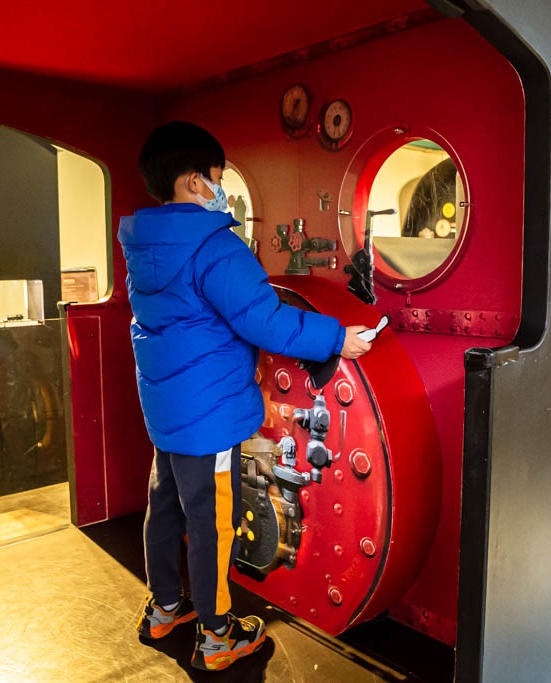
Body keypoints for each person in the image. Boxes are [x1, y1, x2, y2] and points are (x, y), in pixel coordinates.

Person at [119, 121, 373, 672]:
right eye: (215, 178)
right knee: (212, 521)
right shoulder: (215, 246)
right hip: (209, 417)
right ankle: (216, 636)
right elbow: (265, 320)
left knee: (163, 509)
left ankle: (165, 607)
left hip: (166, 414)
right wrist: (337, 337)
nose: (220, 188)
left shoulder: (145, 245)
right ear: (192, 181)